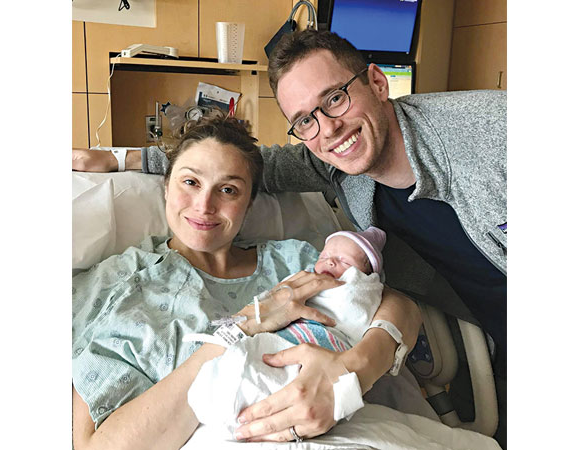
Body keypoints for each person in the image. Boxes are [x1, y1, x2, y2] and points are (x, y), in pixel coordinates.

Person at [72, 29, 507, 444]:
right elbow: (237, 160)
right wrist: (121, 158)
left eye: (335, 98)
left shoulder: (493, 132)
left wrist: (356, 368)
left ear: (377, 82)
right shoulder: (121, 284)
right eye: (304, 120)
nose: (328, 129)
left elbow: (387, 299)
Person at [71, 114, 422, 449]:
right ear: (166, 188)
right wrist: (243, 325)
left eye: (228, 190)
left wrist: (353, 371)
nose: (204, 205)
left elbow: (396, 305)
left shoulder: (295, 261)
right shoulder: (119, 282)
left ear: (249, 203)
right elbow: (96, 445)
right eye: (190, 182)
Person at [188, 227, 390, 438]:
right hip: (278, 341)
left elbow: (385, 303)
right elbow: (274, 300)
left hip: (323, 353)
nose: (330, 262)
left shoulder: (363, 288)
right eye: (325, 256)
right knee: (236, 366)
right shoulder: (299, 277)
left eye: (345, 262)